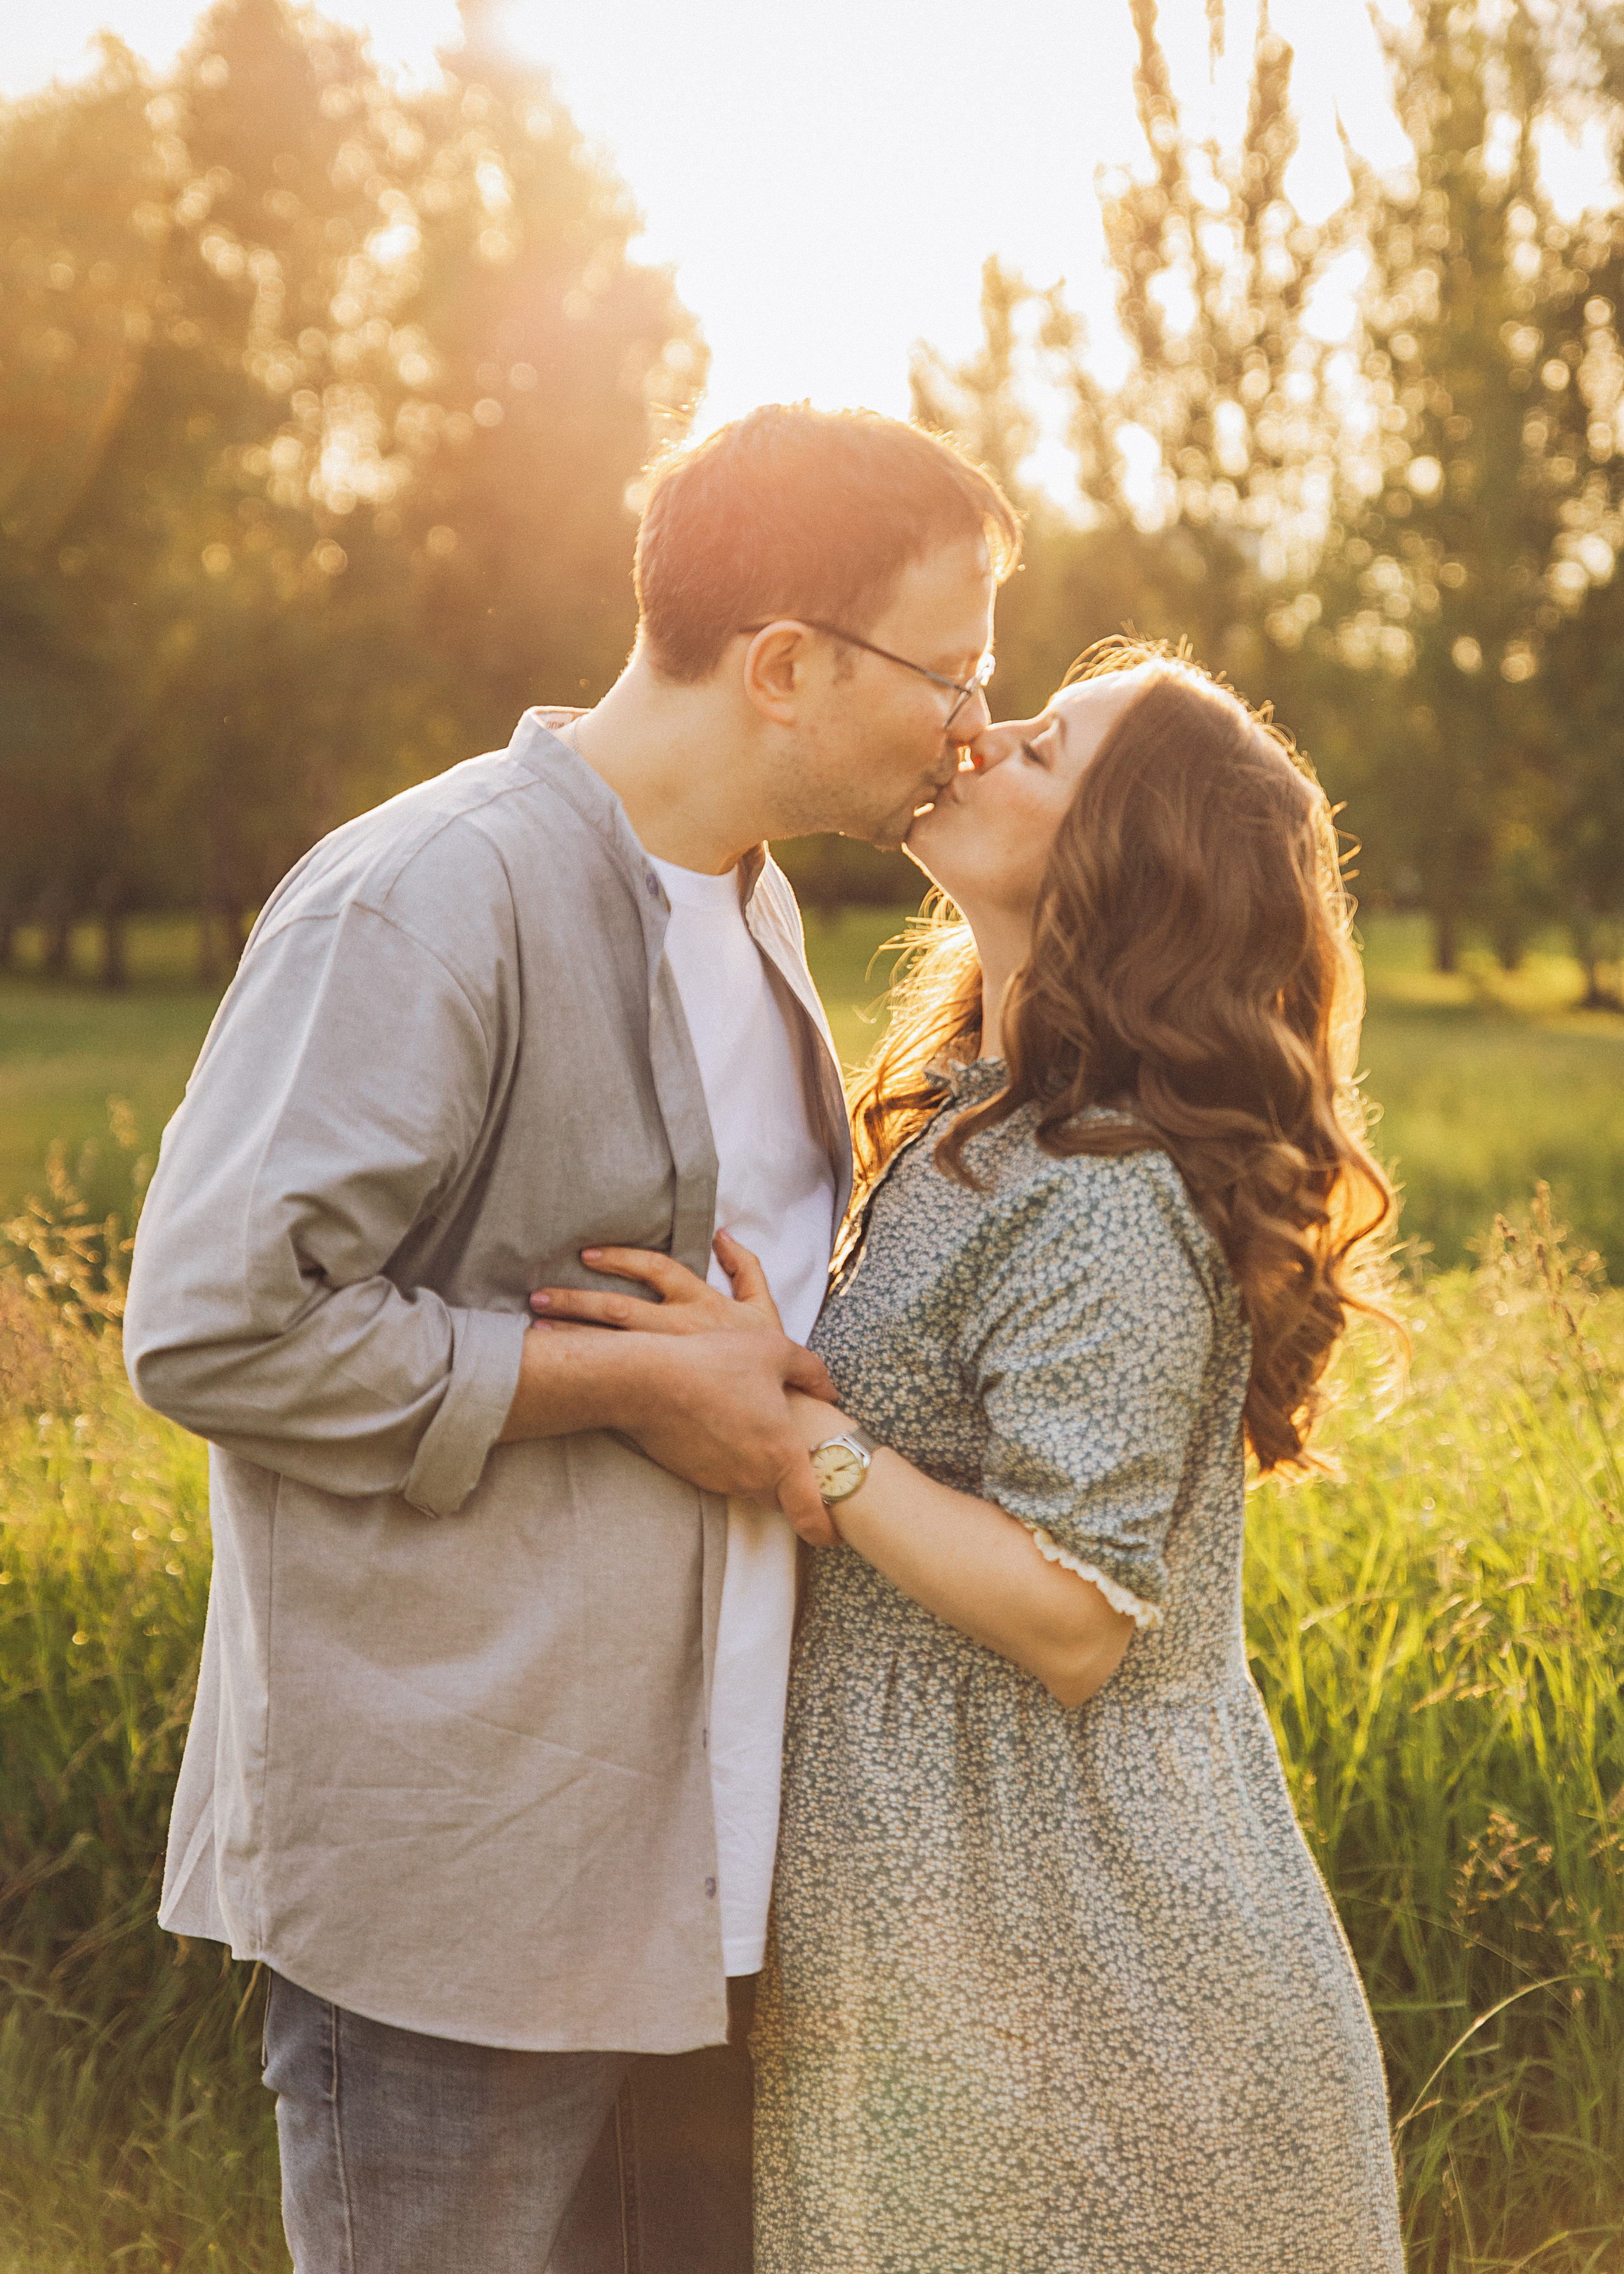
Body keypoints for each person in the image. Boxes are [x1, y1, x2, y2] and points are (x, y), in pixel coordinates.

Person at [120, 402, 1019, 2274]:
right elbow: (217, 1326)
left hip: (707, 1882)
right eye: (955, 667)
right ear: (783, 662)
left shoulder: (756, 907)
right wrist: (624, 1379)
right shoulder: (429, 896)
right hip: (462, 1886)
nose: (972, 722)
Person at [534, 639, 1406, 2271]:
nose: (982, 736)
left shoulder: (1108, 1184)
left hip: (1076, 1930)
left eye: (1044, 746)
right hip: (941, 1910)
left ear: (1123, 861)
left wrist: (805, 1439)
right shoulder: (975, 1111)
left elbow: (1075, 1612)